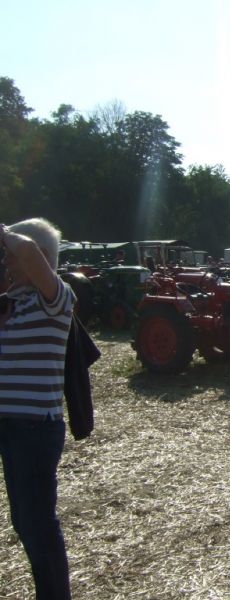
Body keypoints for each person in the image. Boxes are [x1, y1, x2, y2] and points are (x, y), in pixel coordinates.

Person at [0, 218, 76, 599]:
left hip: (32, 428)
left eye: (8, 257)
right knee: (23, 520)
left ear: (41, 259)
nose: (7, 263)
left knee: (35, 523)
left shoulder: (56, 300)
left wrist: (4, 234)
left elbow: (27, 251)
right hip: (9, 424)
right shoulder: (11, 302)